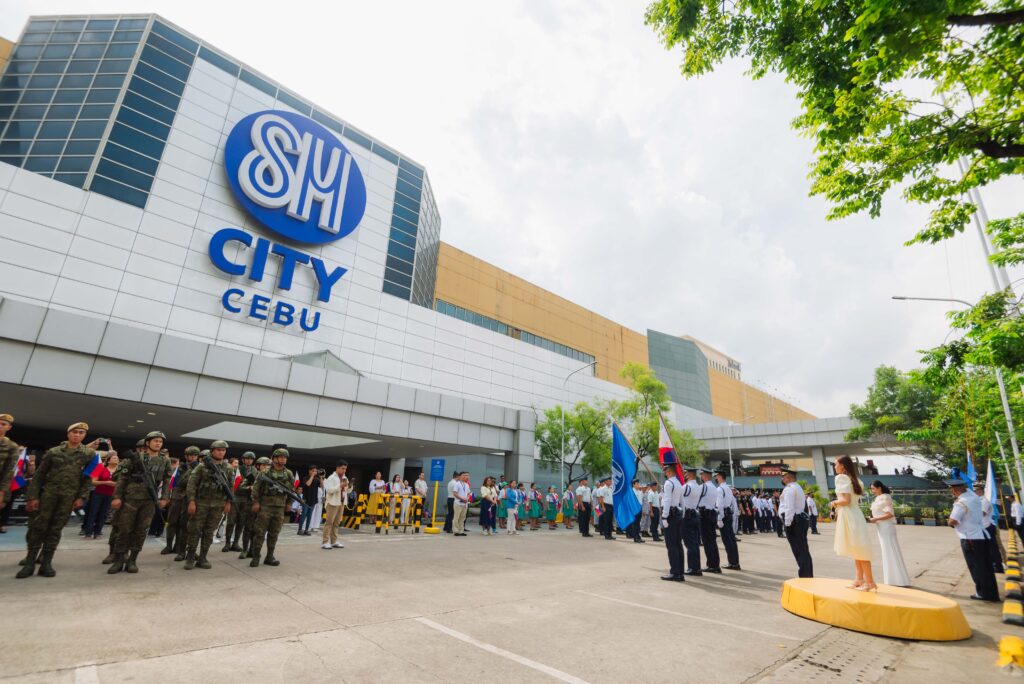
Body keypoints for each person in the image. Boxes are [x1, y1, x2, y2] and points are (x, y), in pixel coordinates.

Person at [17, 422, 97, 578]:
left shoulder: (89, 454)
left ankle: (46, 563)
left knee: (55, 530)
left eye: (81, 433)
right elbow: (39, 476)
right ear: (68, 434)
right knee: (38, 528)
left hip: (68, 498)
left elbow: (88, 478)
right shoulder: (54, 452)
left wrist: (82, 497)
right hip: (48, 495)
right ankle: (30, 563)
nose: (78, 435)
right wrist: (32, 497)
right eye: (75, 432)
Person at [108, 431, 172, 574]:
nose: (158, 444)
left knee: (141, 530)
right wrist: (117, 497)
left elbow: (167, 480)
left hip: (150, 500)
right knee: (124, 530)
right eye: (155, 441)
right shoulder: (136, 458)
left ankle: (132, 560)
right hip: (131, 498)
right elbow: (122, 479)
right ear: (147, 443)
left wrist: (164, 498)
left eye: (160, 442)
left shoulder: (164, 460)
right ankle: (118, 560)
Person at [946, 478, 999, 601]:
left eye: (952, 490)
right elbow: (968, 491)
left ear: (956, 490)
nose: (952, 492)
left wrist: (949, 522)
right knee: (986, 566)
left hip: (969, 538)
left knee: (976, 567)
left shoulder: (961, 503)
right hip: (981, 535)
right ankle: (991, 593)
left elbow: (952, 520)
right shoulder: (974, 498)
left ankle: (983, 593)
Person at [183, 440, 234, 570]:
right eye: (218, 450)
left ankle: (203, 557)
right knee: (194, 530)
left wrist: (228, 502)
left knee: (209, 532)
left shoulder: (228, 468)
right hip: (201, 503)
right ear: (212, 451)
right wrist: (192, 502)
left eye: (223, 450)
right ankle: (190, 557)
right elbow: (192, 485)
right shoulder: (202, 466)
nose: (221, 452)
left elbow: (230, 487)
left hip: (217, 505)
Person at [830, 456, 876, 591]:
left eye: (836, 464)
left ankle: (870, 582)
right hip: (855, 514)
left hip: (849, 515)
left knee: (860, 550)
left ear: (843, 466)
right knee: (857, 548)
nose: (835, 467)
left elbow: (846, 500)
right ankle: (859, 579)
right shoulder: (856, 479)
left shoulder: (841, 478)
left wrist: (833, 502)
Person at [250, 449, 296, 567]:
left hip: (279, 507)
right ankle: (256, 556)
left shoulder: (289, 473)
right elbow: (256, 488)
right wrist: (256, 502)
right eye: (281, 457)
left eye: (285, 457)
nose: (283, 459)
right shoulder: (265, 472)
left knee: (274, 533)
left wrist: (289, 503)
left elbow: (291, 490)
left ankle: (269, 556)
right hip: (265, 506)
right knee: (260, 532)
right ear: (274, 458)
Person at [867, 481, 910, 586]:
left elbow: (890, 514)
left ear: (879, 488)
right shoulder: (878, 498)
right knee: (887, 552)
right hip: (881, 528)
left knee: (890, 551)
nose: (872, 491)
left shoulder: (885, 497)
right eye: (871, 489)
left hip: (886, 527)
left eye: (873, 488)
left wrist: (875, 519)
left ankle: (897, 580)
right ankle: (892, 579)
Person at [779, 467, 813, 578]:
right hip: (799, 519)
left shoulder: (789, 489)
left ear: (788, 478)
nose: (782, 478)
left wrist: (787, 523)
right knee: (803, 549)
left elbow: (789, 507)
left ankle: (804, 576)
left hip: (793, 521)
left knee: (799, 550)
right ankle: (807, 574)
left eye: (783, 476)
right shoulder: (797, 487)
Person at [83, 451, 118, 540]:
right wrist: (106, 482)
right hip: (98, 494)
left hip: (110, 495)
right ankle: (88, 533)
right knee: (93, 513)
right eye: (114, 458)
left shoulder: (119, 471)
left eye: (117, 458)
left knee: (103, 514)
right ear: (108, 460)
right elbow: (93, 482)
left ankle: (97, 532)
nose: (116, 459)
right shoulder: (100, 468)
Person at [659, 463, 685, 582]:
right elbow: (682, 501)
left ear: (669, 471)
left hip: (670, 515)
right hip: (678, 514)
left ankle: (674, 572)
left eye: (665, 471)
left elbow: (668, 500)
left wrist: (664, 517)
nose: (665, 474)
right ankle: (680, 571)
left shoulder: (669, 483)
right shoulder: (678, 483)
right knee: (678, 545)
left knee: (671, 545)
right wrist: (683, 513)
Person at [226, 451, 255, 553]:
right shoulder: (237, 469)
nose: (249, 460)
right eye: (247, 458)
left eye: (251, 459)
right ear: (243, 459)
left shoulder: (254, 470)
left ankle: (235, 543)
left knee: (241, 522)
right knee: (231, 521)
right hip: (236, 497)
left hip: (247, 499)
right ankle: (227, 543)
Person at [973, 482, 1004, 574]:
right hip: (983, 528)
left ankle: (998, 566)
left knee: (993, 548)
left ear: (979, 491)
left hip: (988, 527)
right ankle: (993, 564)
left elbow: (983, 513)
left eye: (975, 491)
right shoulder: (979, 501)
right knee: (988, 548)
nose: (974, 492)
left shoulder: (984, 501)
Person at [714, 471, 741, 570]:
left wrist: (719, 518)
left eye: (716, 477)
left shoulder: (720, 489)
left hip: (724, 515)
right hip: (728, 513)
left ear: (720, 477)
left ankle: (732, 563)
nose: (716, 479)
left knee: (727, 540)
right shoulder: (728, 489)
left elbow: (719, 505)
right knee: (732, 539)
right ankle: (735, 562)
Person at [680, 466, 702, 575]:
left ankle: (692, 568)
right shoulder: (698, 487)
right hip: (695, 515)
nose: (684, 475)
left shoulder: (686, 487)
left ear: (688, 474)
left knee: (690, 544)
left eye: (685, 473)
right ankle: (697, 567)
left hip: (687, 516)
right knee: (695, 543)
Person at [321, 460, 348, 550]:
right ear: (337, 468)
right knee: (329, 523)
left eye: (345, 469)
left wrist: (350, 486)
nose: (344, 470)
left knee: (336, 523)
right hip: (332, 502)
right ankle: (325, 542)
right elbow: (329, 490)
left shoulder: (345, 477)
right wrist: (340, 486)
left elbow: (347, 491)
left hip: (341, 502)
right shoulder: (331, 477)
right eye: (342, 468)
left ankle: (334, 541)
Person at [698, 468, 720, 571]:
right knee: (712, 540)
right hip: (711, 514)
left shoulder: (703, 487)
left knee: (707, 541)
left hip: (705, 515)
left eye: (702, 475)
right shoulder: (714, 487)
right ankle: (715, 564)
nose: (701, 477)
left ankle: (711, 565)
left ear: (705, 476)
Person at [0, 413, 20, 527]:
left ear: (9, 427)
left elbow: (10, 470)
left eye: (3, 424)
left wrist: (2, 492)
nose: (0, 426)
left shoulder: (12, 446)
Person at [297, 466, 320, 535]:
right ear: (309, 471)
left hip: (313, 500)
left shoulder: (317, 479)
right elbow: (308, 484)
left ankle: (307, 529)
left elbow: (321, 485)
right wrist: (312, 476)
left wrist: (321, 477)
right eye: (313, 471)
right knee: (304, 514)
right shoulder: (305, 478)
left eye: (315, 471)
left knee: (310, 516)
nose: (314, 472)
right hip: (306, 499)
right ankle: (300, 529)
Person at [452, 471, 471, 536]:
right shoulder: (457, 484)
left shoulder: (467, 484)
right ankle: (456, 531)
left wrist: (467, 498)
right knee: (456, 517)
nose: (467, 477)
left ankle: (461, 531)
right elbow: (455, 493)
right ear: (460, 476)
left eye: (468, 475)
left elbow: (468, 493)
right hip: (458, 503)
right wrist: (462, 499)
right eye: (464, 475)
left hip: (465, 504)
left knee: (462, 518)